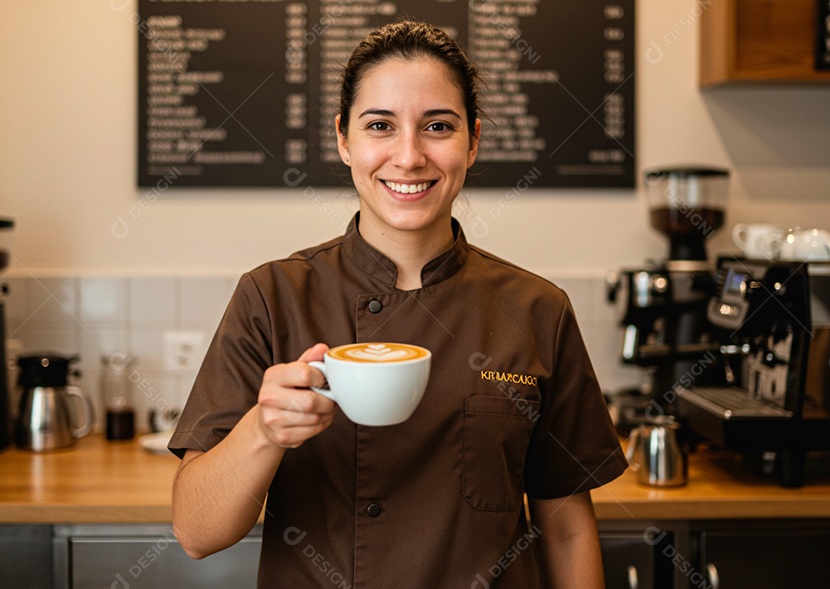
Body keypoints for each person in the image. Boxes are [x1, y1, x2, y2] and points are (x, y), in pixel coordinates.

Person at [170, 20, 628, 588]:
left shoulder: (538, 309)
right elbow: (196, 532)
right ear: (343, 140)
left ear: (473, 140)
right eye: (380, 126)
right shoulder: (271, 297)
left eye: (438, 126)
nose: (409, 157)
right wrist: (263, 430)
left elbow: (565, 527)